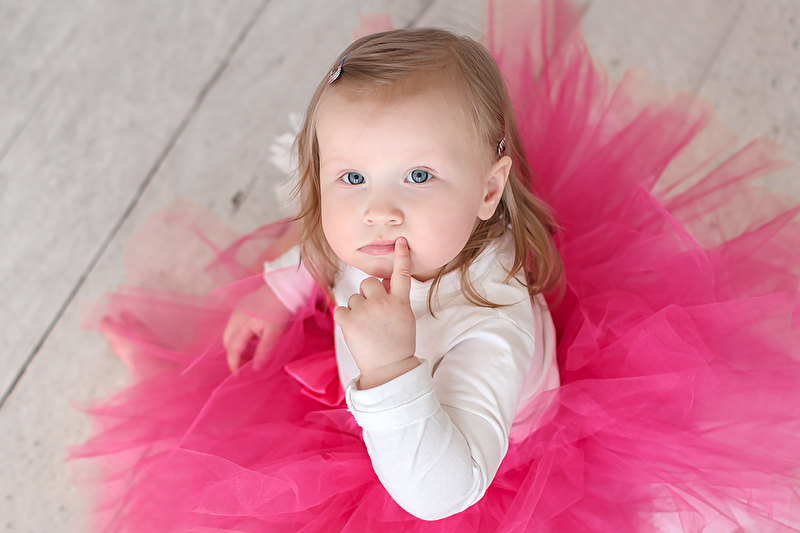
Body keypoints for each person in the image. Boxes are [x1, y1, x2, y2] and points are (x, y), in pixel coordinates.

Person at [71, 1, 800, 531]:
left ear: (488, 189)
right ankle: (185, 383)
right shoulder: (391, 235)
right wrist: (282, 287)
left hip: (451, 452)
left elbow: (441, 493)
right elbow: (331, 251)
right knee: (231, 398)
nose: (378, 212)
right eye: (352, 178)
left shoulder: (491, 326)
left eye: (418, 176)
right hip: (380, 375)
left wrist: (391, 369)